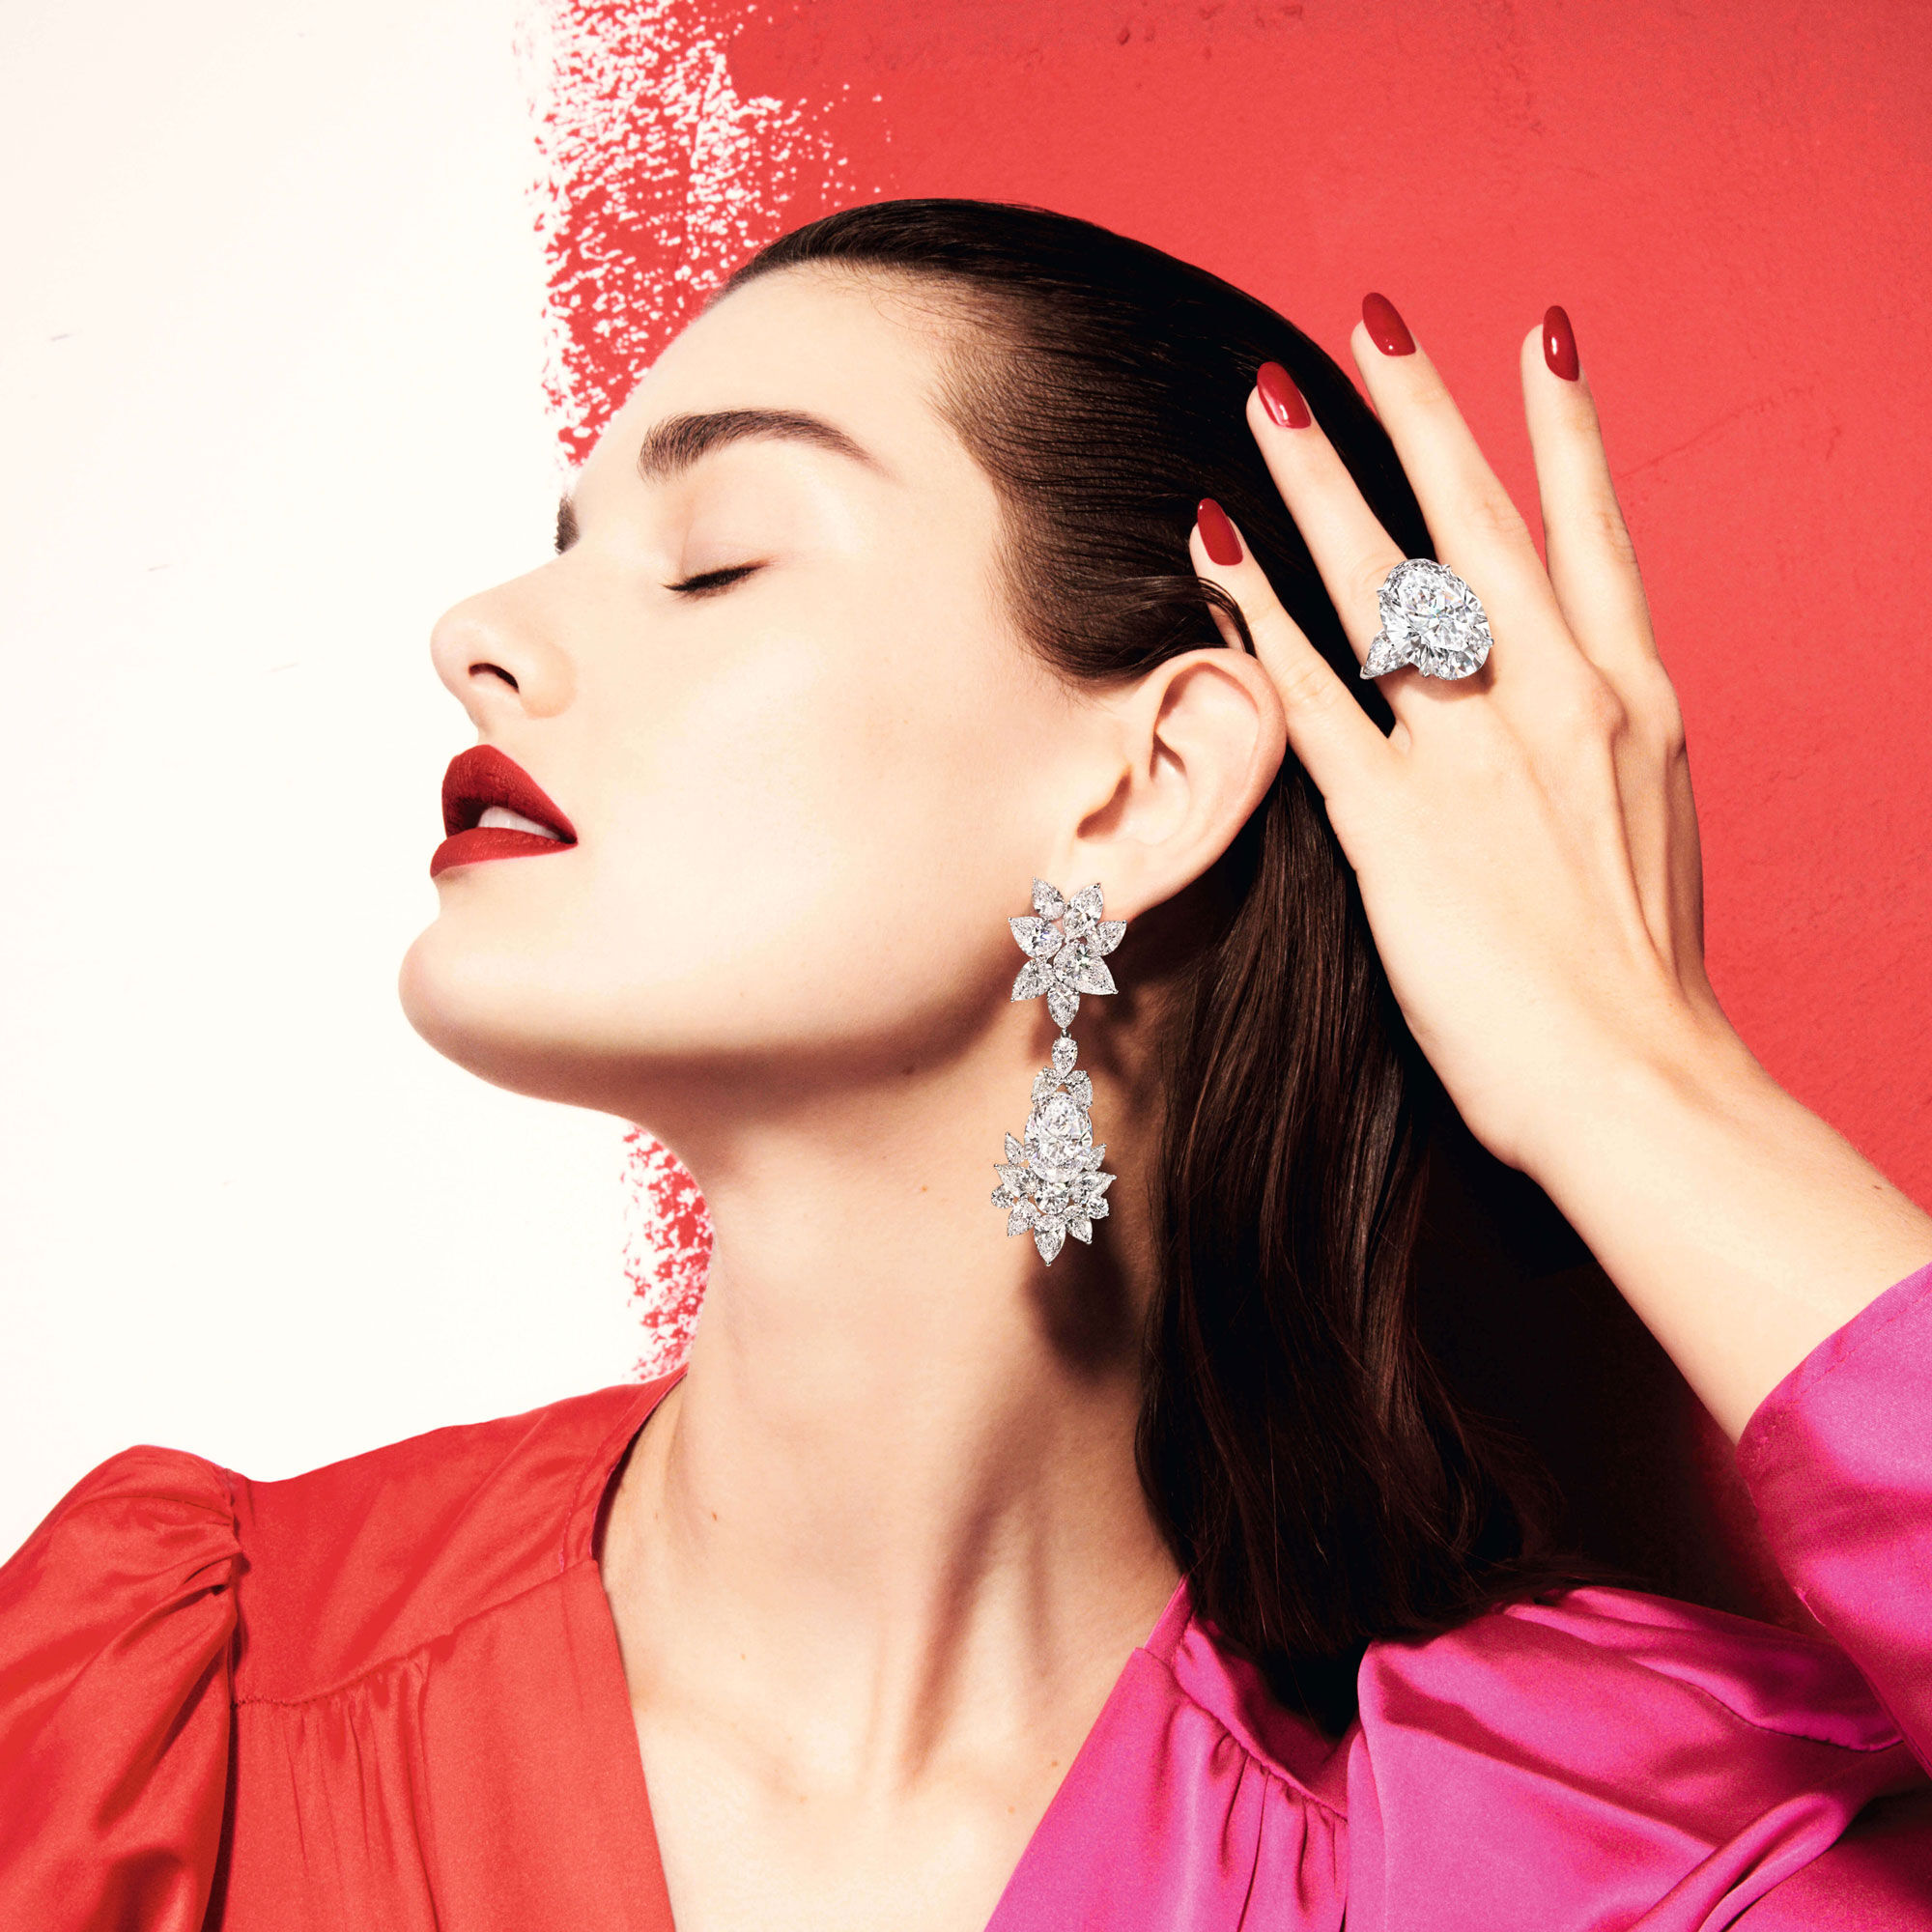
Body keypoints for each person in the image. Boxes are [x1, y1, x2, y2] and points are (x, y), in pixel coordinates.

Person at [3, 198, 1929, 1930]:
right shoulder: (176, 1712)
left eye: (715, 562)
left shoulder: (1579, 1852)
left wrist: (1635, 1077)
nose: (476, 636)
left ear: (1143, 781)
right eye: (563, 547)